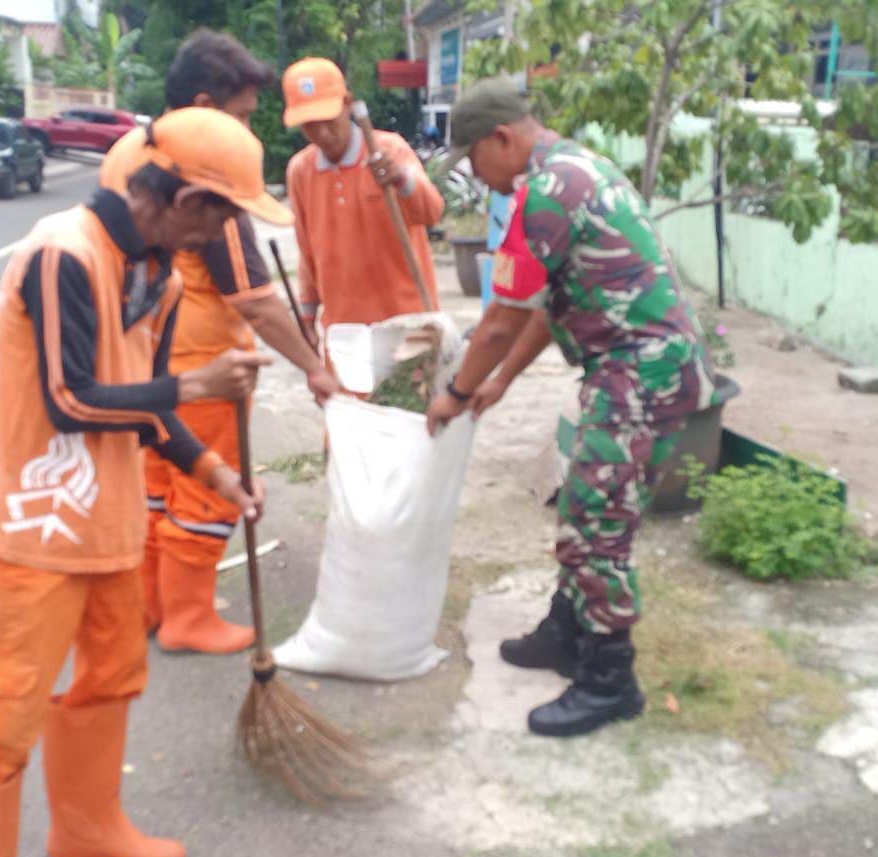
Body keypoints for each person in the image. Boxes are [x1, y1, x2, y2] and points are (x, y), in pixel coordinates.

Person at [0, 107, 291, 857]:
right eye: (224, 213)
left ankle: (85, 827)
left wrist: (216, 474)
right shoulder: (60, 255)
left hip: (107, 523)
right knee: (10, 711)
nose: (224, 232)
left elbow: (142, 407)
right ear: (182, 199)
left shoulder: (161, 274)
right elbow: (72, 396)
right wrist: (196, 382)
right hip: (37, 526)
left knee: (112, 675)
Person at [427, 78, 715, 738]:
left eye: (472, 159)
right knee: (590, 507)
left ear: (501, 137)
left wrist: (459, 390)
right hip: (637, 369)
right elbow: (539, 309)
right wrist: (498, 381)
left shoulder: (545, 192)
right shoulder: (576, 167)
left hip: (639, 375)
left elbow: (499, 318)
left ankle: (610, 679)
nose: (475, 177)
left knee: (594, 524)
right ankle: (566, 629)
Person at [99, 30, 338, 656]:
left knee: (155, 493)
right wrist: (315, 367)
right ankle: (189, 616)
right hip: (204, 367)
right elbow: (254, 299)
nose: (247, 137)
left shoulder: (129, 150)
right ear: (203, 105)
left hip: (143, 365)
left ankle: (150, 605)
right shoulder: (209, 179)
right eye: (238, 117)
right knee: (207, 493)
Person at [282, 57, 444, 349]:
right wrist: (306, 317)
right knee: (347, 396)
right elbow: (307, 252)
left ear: (347, 103)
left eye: (327, 121)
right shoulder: (300, 171)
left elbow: (432, 212)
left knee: (409, 394)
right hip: (345, 332)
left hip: (408, 323)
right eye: (309, 126)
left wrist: (400, 178)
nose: (322, 134)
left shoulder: (389, 150)